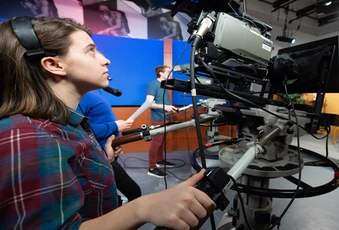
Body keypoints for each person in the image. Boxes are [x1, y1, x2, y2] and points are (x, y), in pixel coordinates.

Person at [0, 17, 212, 229]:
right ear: (54, 64)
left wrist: (103, 159)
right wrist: (143, 208)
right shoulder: (26, 136)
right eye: (90, 50)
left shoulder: (68, 123)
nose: (105, 60)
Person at [77, 90, 141, 205]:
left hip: (108, 151)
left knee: (120, 197)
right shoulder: (82, 94)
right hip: (97, 156)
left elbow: (99, 120)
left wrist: (115, 141)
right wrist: (115, 126)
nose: (106, 70)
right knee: (132, 193)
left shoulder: (96, 92)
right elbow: (79, 130)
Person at [146, 65, 178, 178]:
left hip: (165, 118)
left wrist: (170, 108)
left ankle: (159, 160)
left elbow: (162, 102)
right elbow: (148, 103)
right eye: (169, 72)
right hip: (157, 119)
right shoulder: (153, 85)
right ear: (160, 73)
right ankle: (152, 167)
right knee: (156, 143)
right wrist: (165, 107)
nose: (171, 74)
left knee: (161, 142)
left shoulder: (165, 85)